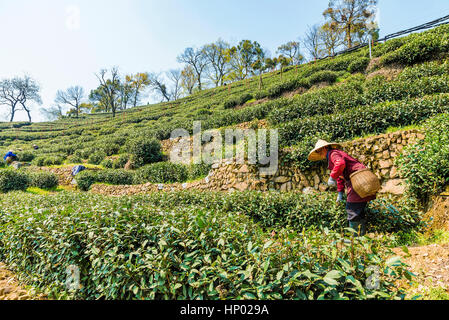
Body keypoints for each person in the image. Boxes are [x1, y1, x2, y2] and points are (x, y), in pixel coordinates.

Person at [308, 140, 376, 236]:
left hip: (358, 179)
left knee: (352, 208)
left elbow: (340, 164)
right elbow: (340, 175)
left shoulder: (333, 154)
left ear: (324, 148)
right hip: (357, 180)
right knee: (358, 210)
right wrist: (340, 193)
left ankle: (355, 239)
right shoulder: (334, 155)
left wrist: (332, 176)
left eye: (319, 151)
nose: (320, 154)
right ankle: (361, 238)